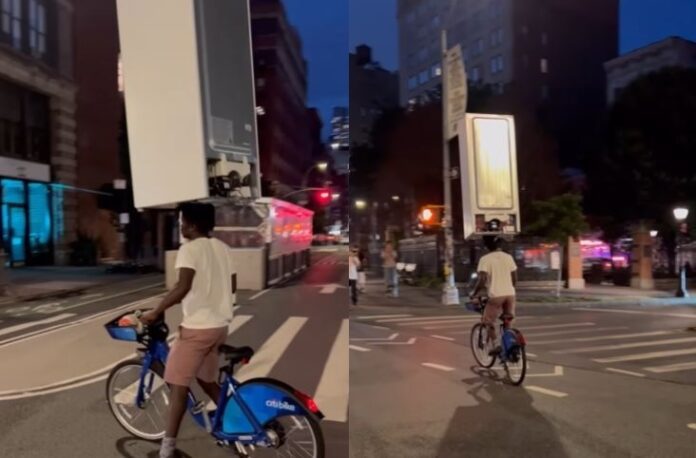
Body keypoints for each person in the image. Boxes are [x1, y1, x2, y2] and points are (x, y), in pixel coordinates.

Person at [140, 202, 236, 458]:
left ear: (192, 225)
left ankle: (167, 449)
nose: (180, 226)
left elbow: (182, 286)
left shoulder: (189, 249)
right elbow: (232, 284)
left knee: (177, 386)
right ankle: (232, 425)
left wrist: (156, 311)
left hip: (198, 329)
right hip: (220, 326)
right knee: (207, 380)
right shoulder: (223, 248)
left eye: (182, 221)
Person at [470, 235, 517, 355]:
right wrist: (509, 287)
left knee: (488, 320)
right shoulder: (508, 257)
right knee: (507, 320)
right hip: (510, 294)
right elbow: (515, 278)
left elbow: (482, 279)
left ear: (486, 246)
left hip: (496, 295)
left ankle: (496, 345)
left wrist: (474, 293)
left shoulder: (485, 259)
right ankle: (511, 346)